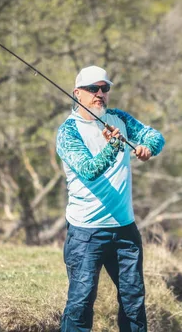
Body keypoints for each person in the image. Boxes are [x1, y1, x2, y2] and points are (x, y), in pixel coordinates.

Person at [56, 65, 165, 332]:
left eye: (105, 88)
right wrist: (113, 146)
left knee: (133, 303)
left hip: (125, 231)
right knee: (80, 304)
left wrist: (146, 148)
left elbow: (156, 137)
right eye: (93, 89)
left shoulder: (120, 119)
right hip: (86, 233)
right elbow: (89, 170)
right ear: (77, 93)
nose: (100, 93)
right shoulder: (68, 132)